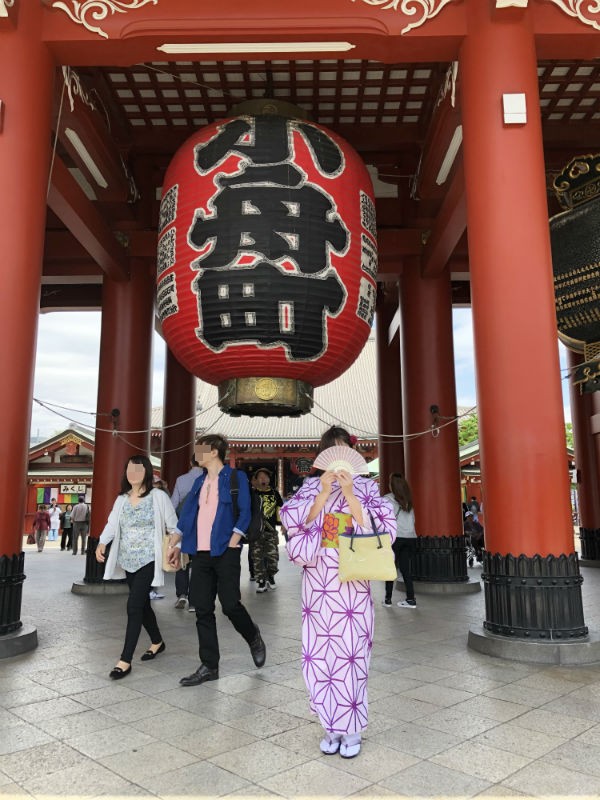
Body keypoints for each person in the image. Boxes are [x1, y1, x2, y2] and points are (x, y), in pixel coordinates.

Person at [280, 426, 395, 759]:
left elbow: (385, 530)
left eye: (343, 450)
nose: (339, 458)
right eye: (332, 451)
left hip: (353, 584)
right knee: (320, 656)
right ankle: (330, 726)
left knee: (352, 654)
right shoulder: (311, 486)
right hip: (318, 585)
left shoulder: (366, 487)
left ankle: (353, 727)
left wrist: (350, 496)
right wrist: (321, 495)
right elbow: (291, 522)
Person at [167, 434, 266, 686]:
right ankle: (209, 665)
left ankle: (252, 635)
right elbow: (188, 513)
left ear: (213, 452)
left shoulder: (235, 477)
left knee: (230, 604)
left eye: (200, 449)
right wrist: (177, 539)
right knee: (202, 608)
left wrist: (235, 539)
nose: (196, 454)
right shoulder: (199, 482)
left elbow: (244, 510)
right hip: (200, 552)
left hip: (225, 550)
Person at [96, 455, 178, 680]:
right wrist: (102, 542)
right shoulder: (121, 499)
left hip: (149, 559)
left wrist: (175, 547)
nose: (133, 474)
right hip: (127, 559)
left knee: (133, 606)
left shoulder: (158, 497)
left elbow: (173, 525)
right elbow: (113, 523)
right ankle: (157, 642)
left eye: (138, 470)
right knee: (142, 605)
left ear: (147, 472)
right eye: (130, 470)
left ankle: (125, 660)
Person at [170, 456, 202, 610]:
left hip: (184, 526)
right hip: (202, 527)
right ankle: (195, 601)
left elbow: (173, 504)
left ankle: (182, 594)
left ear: (190, 462)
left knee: (183, 561)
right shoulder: (209, 479)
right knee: (198, 564)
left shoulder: (181, 480)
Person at [383, 473, 417, 609]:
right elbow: (413, 520)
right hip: (410, 538)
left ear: (393, 486)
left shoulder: (387, 499)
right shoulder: (408, 501)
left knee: (390, 568)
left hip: (395, 538)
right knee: (405, 570)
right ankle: (410, 599)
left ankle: (388, 599)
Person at [251, 468, 283, 593]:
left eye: (265, 477)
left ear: (269, 479)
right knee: (257, 557)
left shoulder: (275, 493)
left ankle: (270, 576)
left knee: (273, 557)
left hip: (270, 530)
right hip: (256, 531)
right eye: (260, 477)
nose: (263, 479)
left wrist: (282, 524)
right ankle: (261, 581)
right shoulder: (253, 494)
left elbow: (280, 508)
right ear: (256, 480)